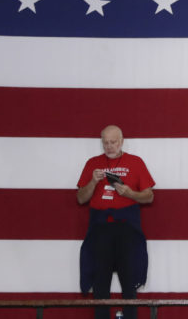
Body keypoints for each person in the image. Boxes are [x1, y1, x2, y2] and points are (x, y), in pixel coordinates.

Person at [77, 125, 155, 319]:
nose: (109, 146)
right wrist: (93, 182)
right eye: (105, 142)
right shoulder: (92, 163)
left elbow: (149, 197)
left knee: (129, 281)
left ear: (121, 142)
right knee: (100, 281)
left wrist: (131, 193)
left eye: (113, 142)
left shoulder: (135, 162)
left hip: (127, 228)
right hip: (100, 228)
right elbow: (80, 198)